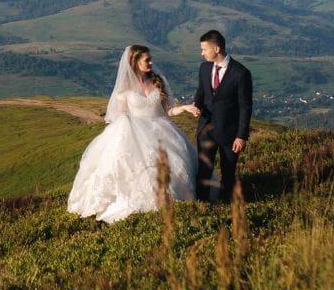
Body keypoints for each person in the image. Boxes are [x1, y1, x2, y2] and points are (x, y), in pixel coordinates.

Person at [68, 45, 198, 223]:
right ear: (135, 62)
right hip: (133, 130)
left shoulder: (157, 81)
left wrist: (185, 108)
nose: (151, 62)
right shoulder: (125, 87)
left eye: (150, 58)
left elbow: (168, 110)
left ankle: (168, 200)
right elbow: (119, 114)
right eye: (147, 60)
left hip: (159, 130)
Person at [192, 30, 252, 203]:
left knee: (228, 172)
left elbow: (245, 107)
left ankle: (227, 206)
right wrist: (197, 106)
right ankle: (201, 205)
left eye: (204, 49)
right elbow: (201, 92)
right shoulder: (204, 68)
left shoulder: (241, 73)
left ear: (216, 48)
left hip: (230, 133)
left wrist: (241, 136)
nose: (202, 53)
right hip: (206, 129)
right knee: (203, 170)